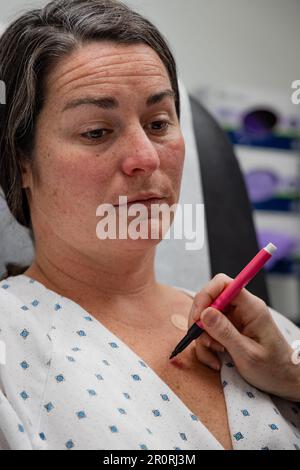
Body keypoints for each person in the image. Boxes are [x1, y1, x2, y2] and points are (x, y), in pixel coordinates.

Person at [0, 0, 299, 451]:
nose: (146, 157)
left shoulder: (266, 337)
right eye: (97, 131)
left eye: (159, 122)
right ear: (22, 161)